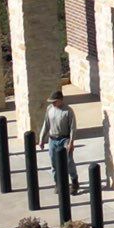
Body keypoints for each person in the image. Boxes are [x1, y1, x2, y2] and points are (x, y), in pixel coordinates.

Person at [41, 85, 77, 214]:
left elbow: (72, 128)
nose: (53, 103)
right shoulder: (49, 109)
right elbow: (46, 124)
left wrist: (71, 142)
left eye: (54, 101)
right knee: (53, 163)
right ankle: (58, 183)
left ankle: (74, 182)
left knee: (68, 161)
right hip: (53, 139)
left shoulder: (68, 111)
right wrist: (41, 138)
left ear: (61, 100)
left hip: (64, 139)